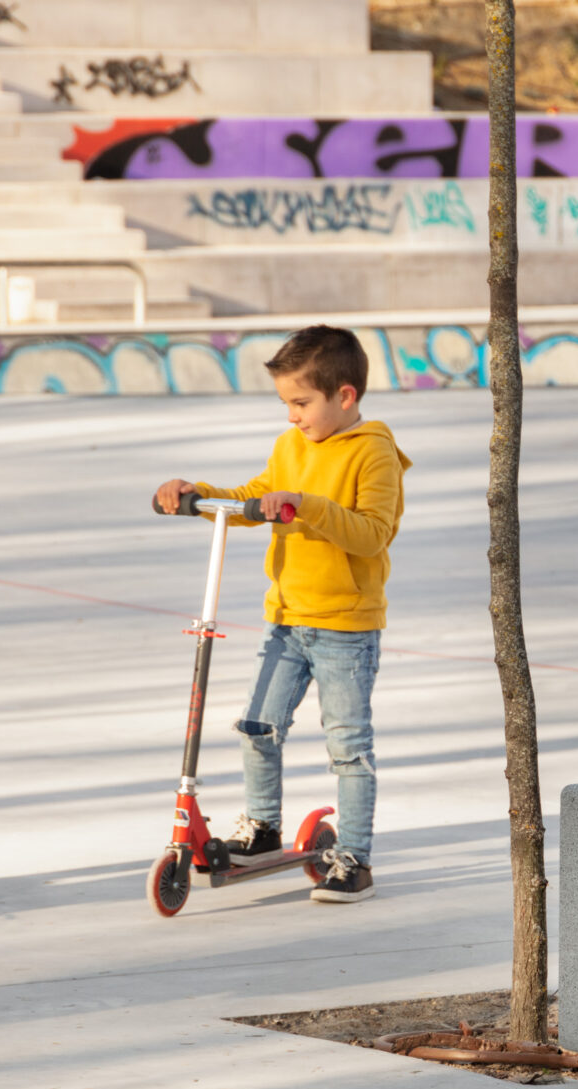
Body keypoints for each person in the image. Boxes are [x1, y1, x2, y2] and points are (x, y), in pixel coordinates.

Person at [153, 325, 410, 903]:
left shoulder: (374, 452)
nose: (292, 416)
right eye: (285, 404)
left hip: (346, 626)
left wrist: (309, 508)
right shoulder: (289, 446)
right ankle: (263, 826)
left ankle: (354, 859)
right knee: (256, 728)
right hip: (288, 619)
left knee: (348, 747)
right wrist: (197, 494)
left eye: (302, 403)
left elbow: (372, 535)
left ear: (345, 397)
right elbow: (255, 497)